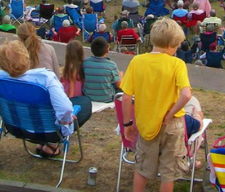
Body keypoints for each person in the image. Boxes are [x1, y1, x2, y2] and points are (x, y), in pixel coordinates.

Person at [0, 40, 90, 158]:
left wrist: (2, 106)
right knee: (84, 103)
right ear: (26, 57)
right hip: (49, 131)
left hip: (16, 128)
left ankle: (47, 144)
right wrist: (66, 121)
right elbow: (65, 109)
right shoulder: (45, 78)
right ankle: (51, 144)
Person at [121, 18, 191, 192]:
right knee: (168, 173)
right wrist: (170, 114)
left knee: (142, 167)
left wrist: (127, 123)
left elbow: (126, 97)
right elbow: (186, 95)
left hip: (146, 123)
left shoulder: (137, 61)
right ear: (171, 45)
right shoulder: (177, 64)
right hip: (172, 124)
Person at [82, 37, 122, 103]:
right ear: (107, 50)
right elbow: (119, 85)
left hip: (88, 96)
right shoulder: (111, 65)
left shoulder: (86, 62)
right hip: (107, 98)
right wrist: (121, 76)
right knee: (119, 86)